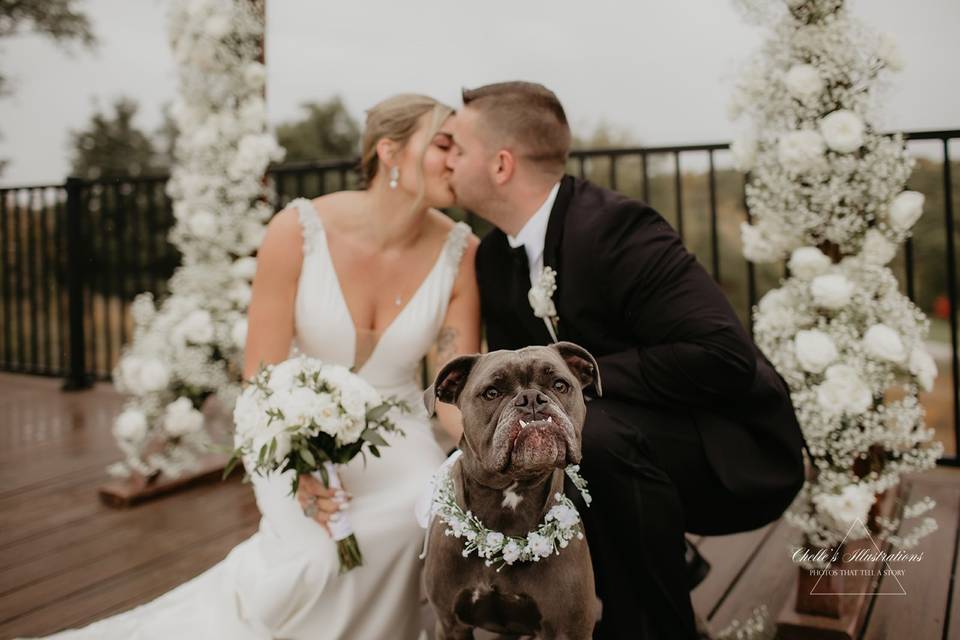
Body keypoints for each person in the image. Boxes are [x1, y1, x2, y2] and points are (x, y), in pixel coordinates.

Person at [30, 94, 481, 640]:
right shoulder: (298, 230)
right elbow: (260, 380)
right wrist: (300, 468)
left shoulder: (462, 252)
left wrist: (491, 447)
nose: (459, 159)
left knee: (419, 525)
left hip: (400, 434)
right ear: (389, 151)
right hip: (291, 428)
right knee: (316, 560)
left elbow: (453, 390)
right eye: (443, 145)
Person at [444, 81, 808, 640]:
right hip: (623, 446)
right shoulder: (495, 257)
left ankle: (664, 625)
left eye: (456, 149)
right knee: (571, 435)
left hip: (728, 446)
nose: (447, 161)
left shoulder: (619, 229)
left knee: (597, 436)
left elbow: (723, 356)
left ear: (500, 165)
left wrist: (579, 379)